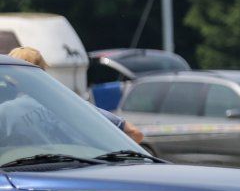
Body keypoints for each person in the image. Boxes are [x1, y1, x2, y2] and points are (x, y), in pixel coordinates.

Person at [6, 46, 145, 144]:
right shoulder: (75, 105)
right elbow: (135, 133)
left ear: (11, 76)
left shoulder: (6, 113)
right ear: (44, 72)